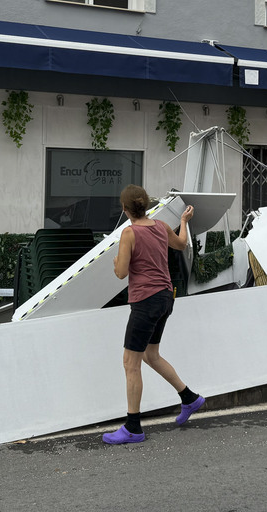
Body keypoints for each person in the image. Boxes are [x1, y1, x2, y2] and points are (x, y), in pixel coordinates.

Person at [103, 184, 205, 445]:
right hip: (164, 298)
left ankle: (133, 428)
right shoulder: (160, 226)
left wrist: (116, 264)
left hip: (146, 301)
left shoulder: (129, 233)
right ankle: (190, 398)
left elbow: (122, 273)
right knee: (150, 354)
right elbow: (182, 244)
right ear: (147, 205)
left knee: (130, 362)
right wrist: (184, 221)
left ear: (125, 209)